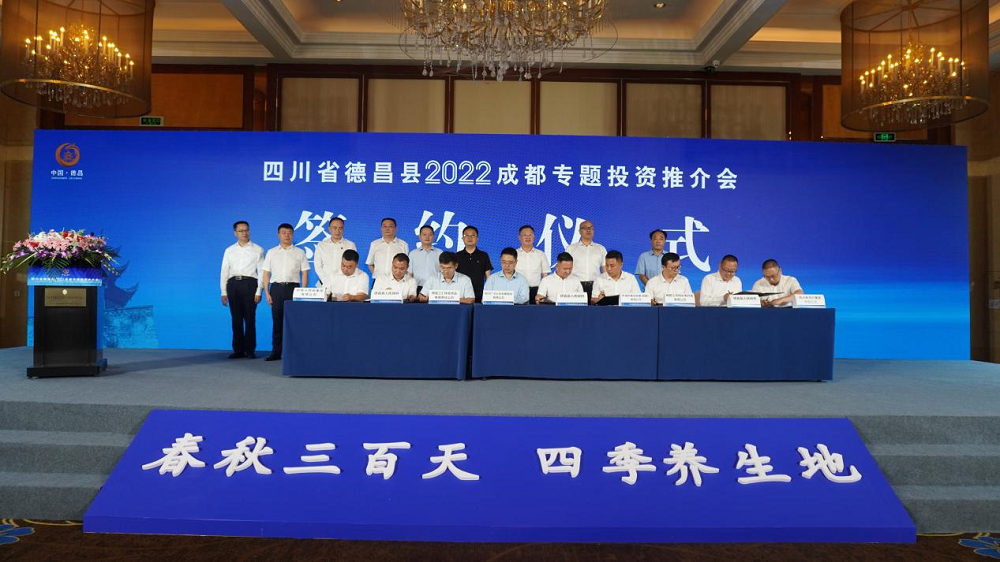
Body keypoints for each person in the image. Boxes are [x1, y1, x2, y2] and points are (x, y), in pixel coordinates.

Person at [261, 223, 309, 361]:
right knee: (277, 322)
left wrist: (302, 292)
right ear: (278, 235)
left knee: (293, 322)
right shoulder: (271, 252)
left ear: (292, 234)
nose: (287, 235)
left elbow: (304, 273)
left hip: (293, 289)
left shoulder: (299, 252)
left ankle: (293, 353)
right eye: (284, 233)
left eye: (289, 233)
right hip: (276, 289)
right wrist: (267, 292)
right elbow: (266, 274)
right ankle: (276, 352)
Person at [220, 220, 264, 359]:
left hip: (250, 284)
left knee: (250, 318)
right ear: (235, 233)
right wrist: (223, 292)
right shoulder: (229, 250)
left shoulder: (258, 249)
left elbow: (261, 272)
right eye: (241, 231)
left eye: (246, 230)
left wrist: (259, 291)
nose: (244, 233)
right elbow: (224, 271)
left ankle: (250, 350)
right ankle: (238, 350)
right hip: (233, 284)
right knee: (236, 319)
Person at [566, 220, 607, 301]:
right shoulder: (571, 248)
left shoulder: (601, 249)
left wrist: (605, 287)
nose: (588, 230)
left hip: (595, 286)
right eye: (585, 228)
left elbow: (605, 271)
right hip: (576, 285)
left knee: (595, 308)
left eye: (591, 228)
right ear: (579, 231)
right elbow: (566, 269)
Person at [312, 217, 356, 290]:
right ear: (329, 229)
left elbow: (353, 266)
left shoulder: (350, 245)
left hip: (344, 284)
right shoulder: (321, 245)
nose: (337, 231)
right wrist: (327, 281)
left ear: (343, 229)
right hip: (325, 284)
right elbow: (318, 266)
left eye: (340, 228)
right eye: (335, 228)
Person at [456, 225, 493, 303]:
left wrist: (488, 294)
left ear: (477, 238)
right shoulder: (457, 256)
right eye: (467, 235)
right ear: (463, 238)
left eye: (473, 235)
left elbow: (488, 277)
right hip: (462, 295)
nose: (470, 238)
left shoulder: (483, 255)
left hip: (479, 295)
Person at [515, 224, 549, 304]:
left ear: (534, 237)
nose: (528, 237)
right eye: (525, 235)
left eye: (530, 235)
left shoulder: (541, 254)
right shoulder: (514, 254)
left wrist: (544, 292)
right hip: (518, 290)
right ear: (519, 238)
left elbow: (545, 276)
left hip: (536, 291)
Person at [408, 225, 442, 295]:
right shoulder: (413, 253)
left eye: (430, 235)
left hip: (435, 288)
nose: (427, 237)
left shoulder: (440, 253)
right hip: (417, 288)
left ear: (433, 237)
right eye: (424, 234)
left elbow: (443, 272)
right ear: (420, 237)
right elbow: (409, 273)